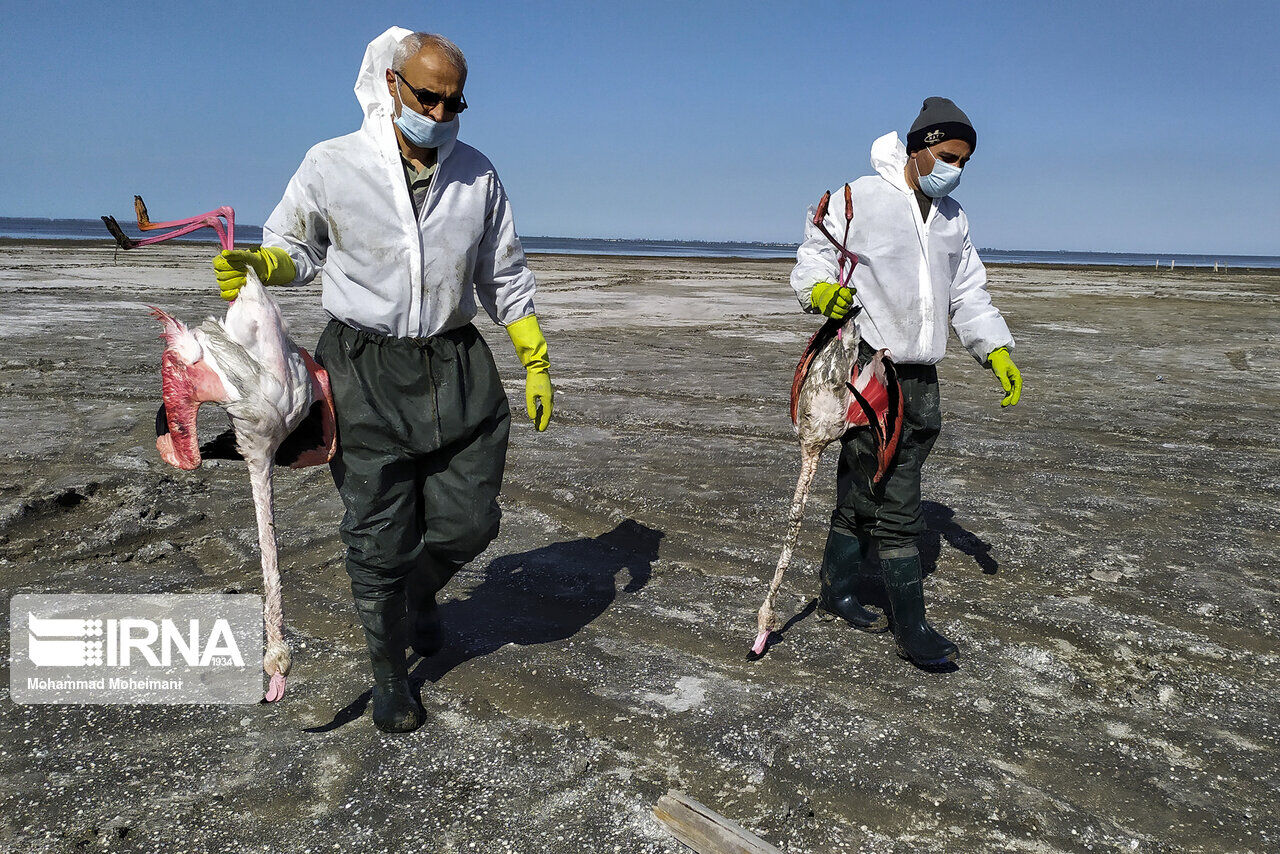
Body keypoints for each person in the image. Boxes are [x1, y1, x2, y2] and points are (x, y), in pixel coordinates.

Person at [211, 28, 553, 731]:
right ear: (392, 84)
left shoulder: (478, 175)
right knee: (378, 535)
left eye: (455, 101)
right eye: (428, 96)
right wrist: (266, 267)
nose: (440, 112)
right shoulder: (333, 163)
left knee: (470, 521)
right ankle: (390, 669)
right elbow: (294, 245)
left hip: (456, 363)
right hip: (363, 368)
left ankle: (419, 592)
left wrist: (534, 354)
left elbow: (503, 272)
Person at [790, 97, 1022, 668]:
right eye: (947, 156)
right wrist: (818, 291)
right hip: (870, 371)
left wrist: (993, 347)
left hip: (923, 374)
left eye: (965, 162)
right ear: (918, 148)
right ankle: (911, 626)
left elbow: (967, 291)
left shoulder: (953, 219)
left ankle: (837, 589)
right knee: (897, 498)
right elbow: (814, 256)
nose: (956, 170)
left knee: (867, 486)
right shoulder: (858, 198)